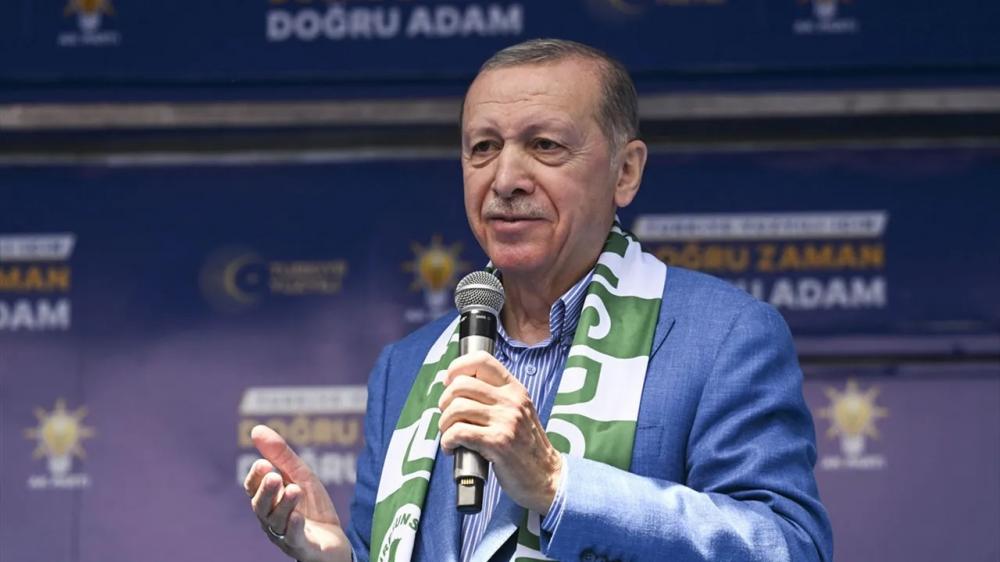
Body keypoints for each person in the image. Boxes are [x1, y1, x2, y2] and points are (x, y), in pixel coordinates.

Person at [243, 38, 833, 562]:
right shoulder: (408, 366)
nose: (505, 179)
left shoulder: (723, 336)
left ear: (626, 172)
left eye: (544, 145)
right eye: (483, 147)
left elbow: (786, 546)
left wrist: (557, 485)